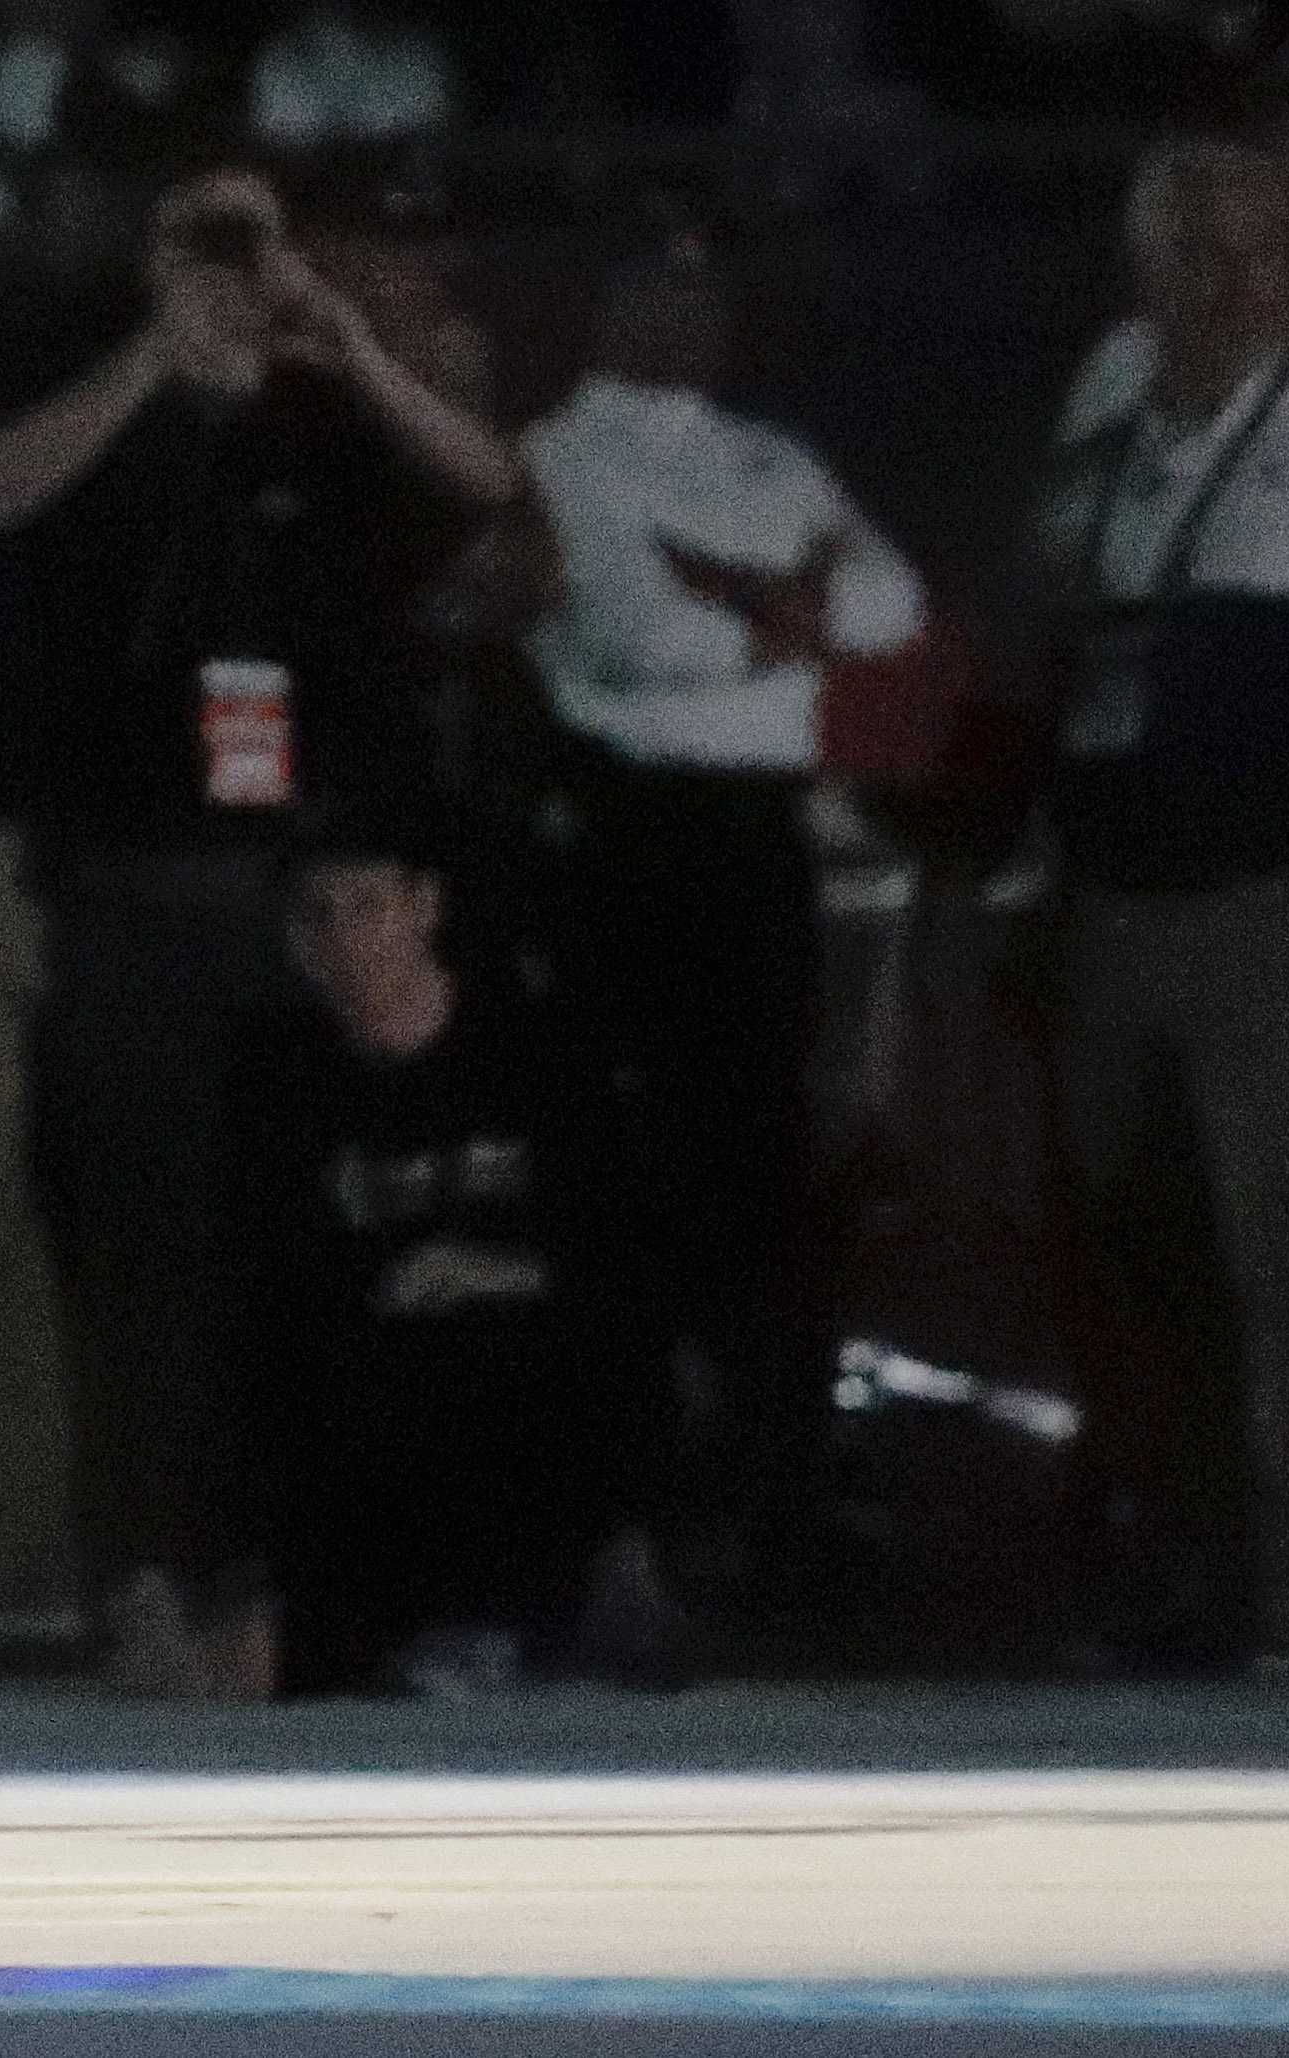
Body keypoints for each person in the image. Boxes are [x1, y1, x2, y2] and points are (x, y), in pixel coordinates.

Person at [0, 166, 516, 1698]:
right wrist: (154, 354)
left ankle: (283, 1578)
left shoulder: (322, 422)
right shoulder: (101, 403)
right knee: (142, 1260)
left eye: (246, 242)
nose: (225, 271)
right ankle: (141, 1571)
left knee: (291, 1253)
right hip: (131, 899)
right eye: (197, 241)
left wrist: (336, 332)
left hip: (289, 911)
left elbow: (482, 485)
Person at [519, 213, 925, 1605]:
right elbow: (641, 640)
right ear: (605, 298)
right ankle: (639, 1510)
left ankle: (779, 1508)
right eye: (657, 283)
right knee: (631, 1186)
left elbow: (889, 603)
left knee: (771, 1179)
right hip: (634, 845)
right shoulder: (562, 455)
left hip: (762, 847)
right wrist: (776, 607)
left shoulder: (772, 456)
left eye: (704, 285)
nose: (686, 312)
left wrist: (742, 599)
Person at [1033, 131, 1289, 1671]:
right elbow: (1066, 627)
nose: (1223, 281)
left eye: (1252, 252)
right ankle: (1199, 1567)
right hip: (1114, 905)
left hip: (1271, 904)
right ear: (1143, 265)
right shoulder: (1111, 401)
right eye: (1191, 250)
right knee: (1144, 1252)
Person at [228, 807, 681, 1696]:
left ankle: (586, 1584)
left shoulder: (538, 1058)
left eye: (370, 907)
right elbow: (263, 1286)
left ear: (425, 907)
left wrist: (493, 1272)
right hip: (368, 1409)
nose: (348, 938)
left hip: (528, 1390)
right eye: (319, 915)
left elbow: (625, 1253)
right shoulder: (276, 1082)